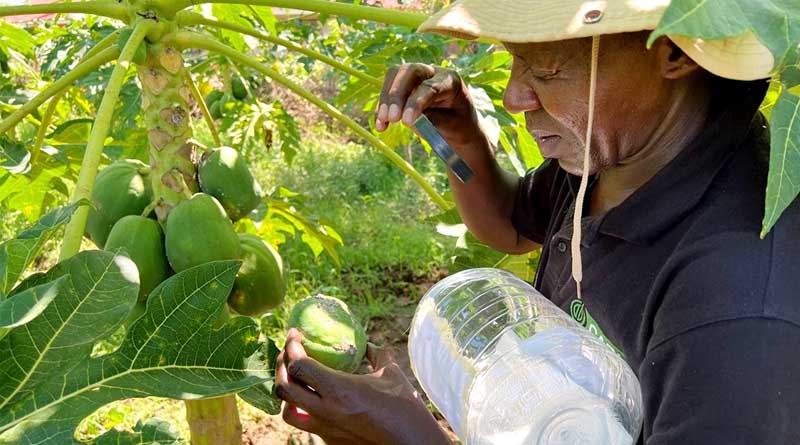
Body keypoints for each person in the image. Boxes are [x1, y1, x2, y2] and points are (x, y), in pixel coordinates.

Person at [275, 1, 800, 443]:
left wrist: (408, 436)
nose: (512, 96)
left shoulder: (740, 308)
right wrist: (464, 139)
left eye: (546, 70)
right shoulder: (612, 160)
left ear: (677, 51)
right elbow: (509, 224)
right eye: (515, 62)